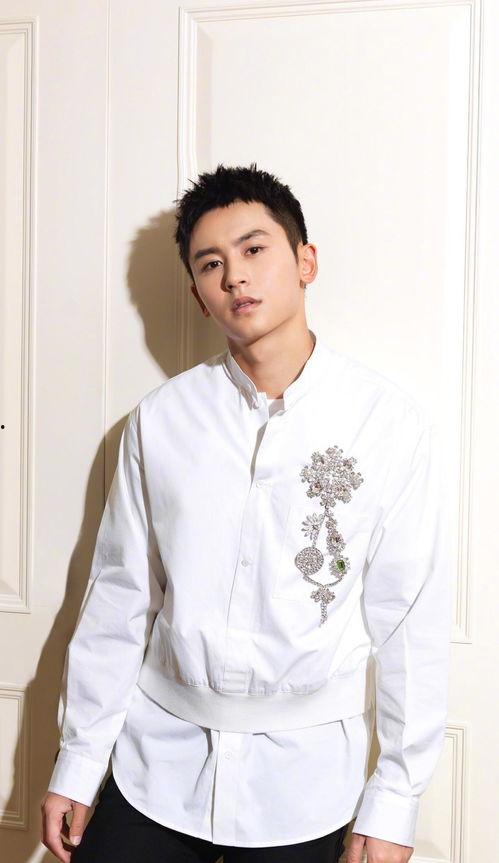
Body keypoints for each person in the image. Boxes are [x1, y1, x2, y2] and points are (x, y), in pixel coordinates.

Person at [40, 163, 452, 863]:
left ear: (305, 261)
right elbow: (119, 600)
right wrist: (78, 764)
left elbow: (409, 621)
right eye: (211, 264)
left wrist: (394, 800)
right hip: (156, 767)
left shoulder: (385, 424)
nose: (235, 276)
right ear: (199, 297)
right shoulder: (159, 422)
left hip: (307, 786)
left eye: (254, 249)